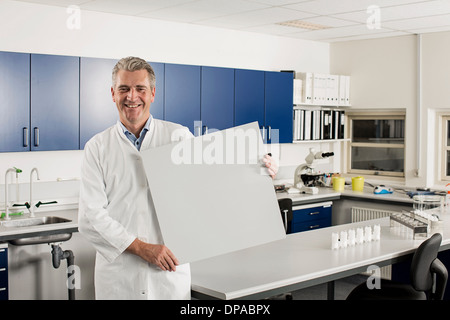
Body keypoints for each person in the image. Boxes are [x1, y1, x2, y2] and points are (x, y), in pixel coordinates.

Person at [78, 56, 278, 300]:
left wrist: (259, 169)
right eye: (124, 89)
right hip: (120, 279)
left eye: (140, 89)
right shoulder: (97, 148)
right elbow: (90, 218)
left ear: (152, 93)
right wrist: (142, 248)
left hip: (169, 274)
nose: (132, 97)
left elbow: (213, 183)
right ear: (113, 93)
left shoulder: (178, 137)